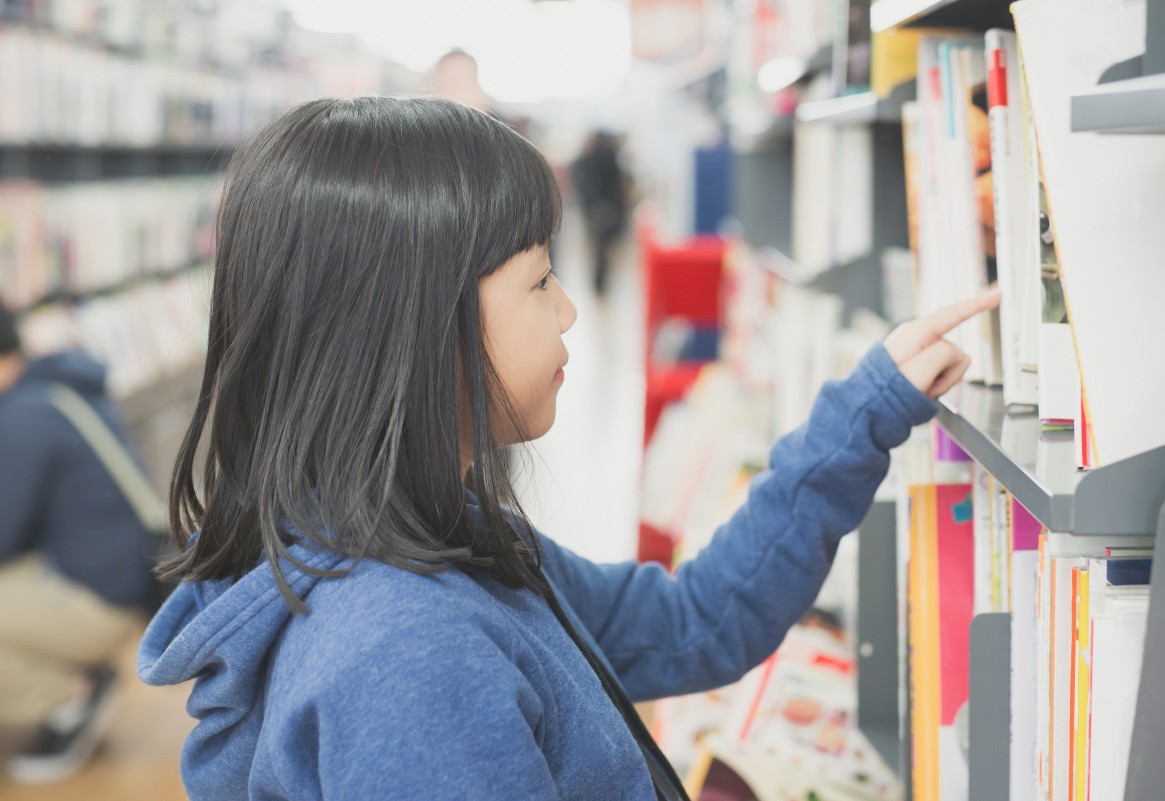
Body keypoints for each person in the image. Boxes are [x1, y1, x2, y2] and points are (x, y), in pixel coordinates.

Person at [138, 96, 998, 801]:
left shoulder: (430, 534)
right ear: (415, 330)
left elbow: (691, 620)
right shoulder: (408, 654)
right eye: (540, 281)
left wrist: (865, 410)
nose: (570, 310)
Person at [0, 306, 155, 783]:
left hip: (100, 594)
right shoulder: (55, 388)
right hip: (122, 577)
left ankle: (70, 692)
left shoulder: (23, 417)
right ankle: (79, 681)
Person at [570, 130, 629, 295]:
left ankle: (598, 282)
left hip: (596, 209)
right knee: (602, 248)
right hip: (603, 209)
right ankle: (599, 282)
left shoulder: (589, 159)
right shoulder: (608, 158)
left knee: (599, 248)